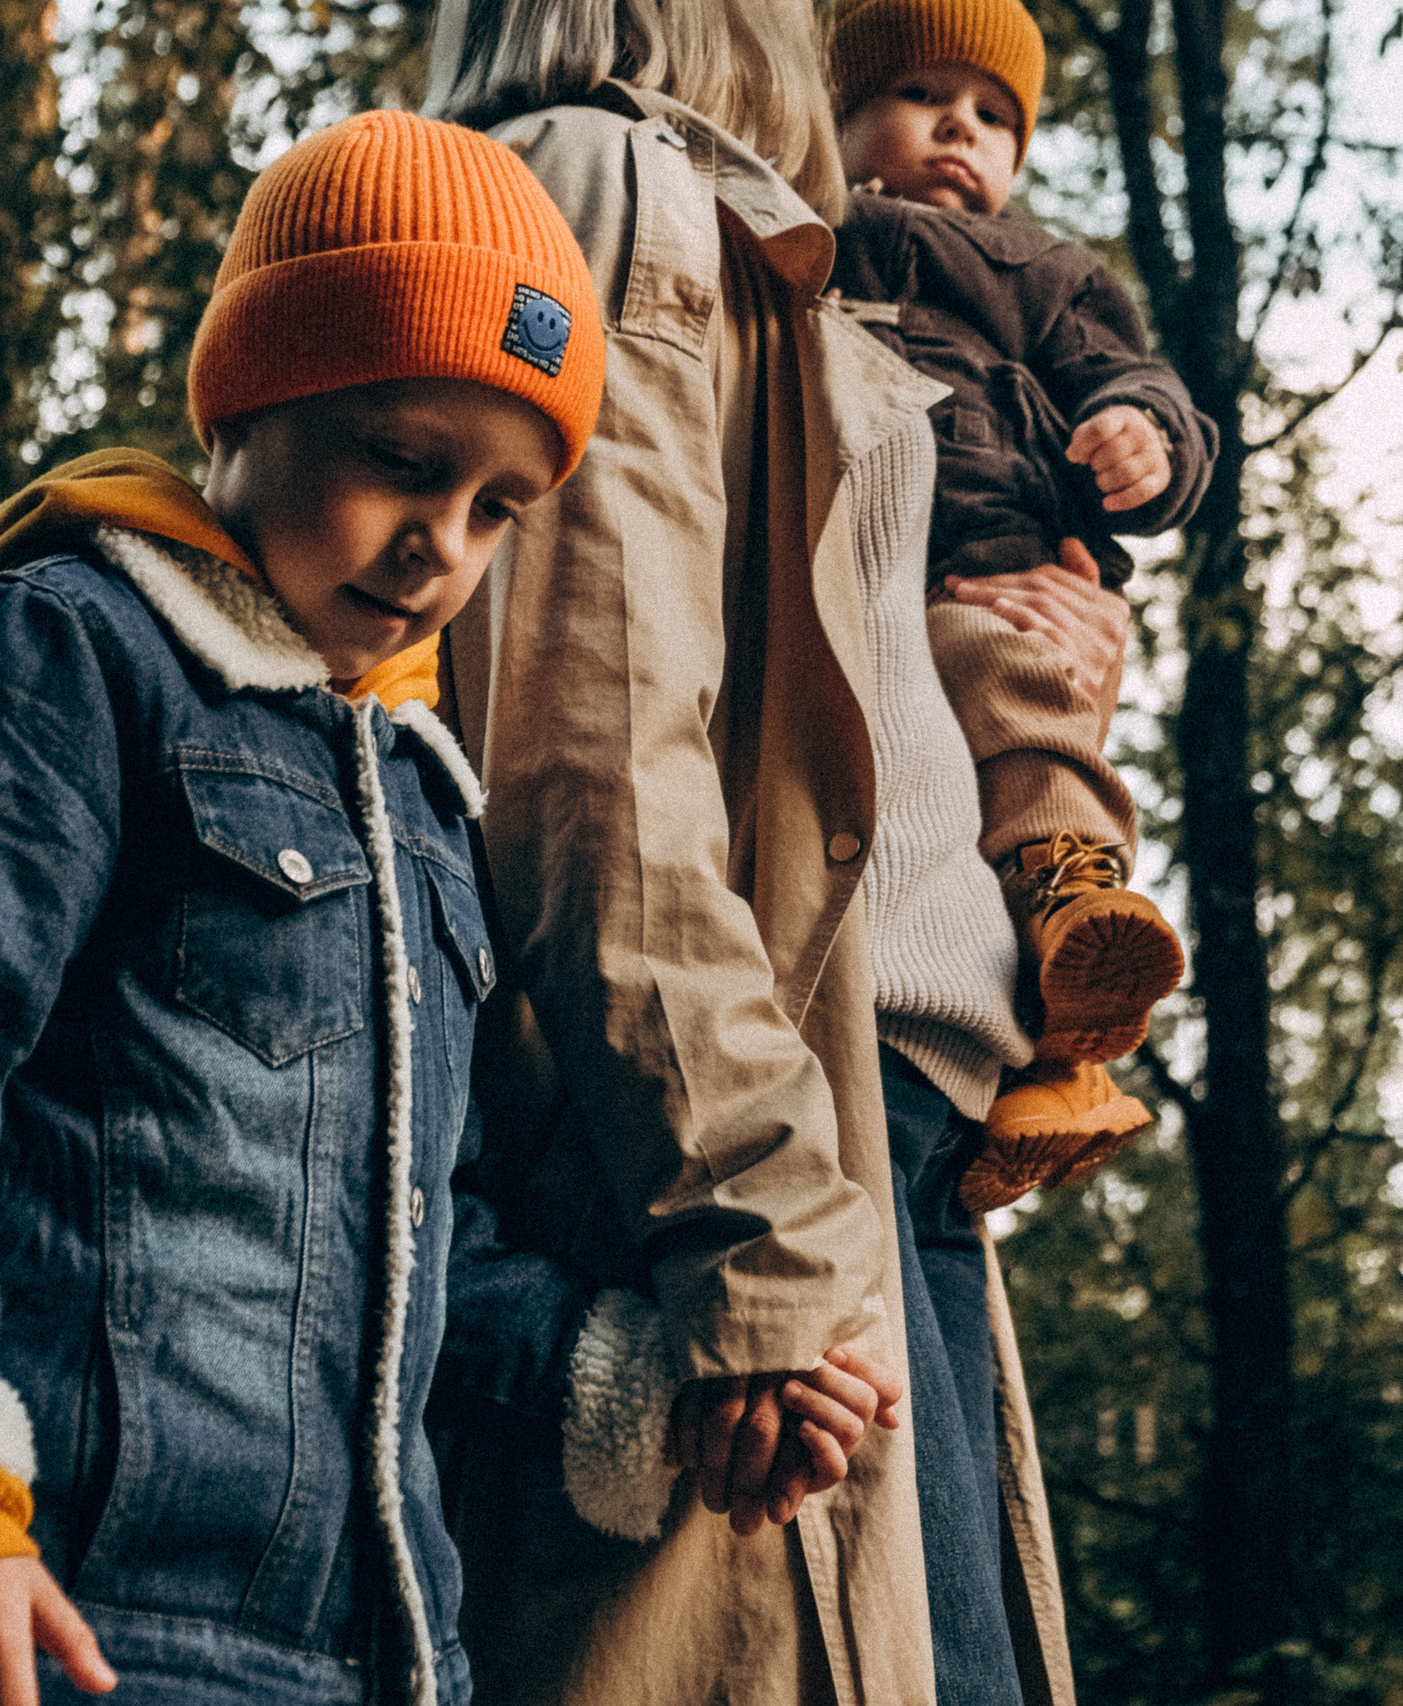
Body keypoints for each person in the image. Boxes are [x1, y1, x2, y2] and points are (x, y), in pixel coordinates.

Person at [0, 111, 618, 1706]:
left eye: (497, 506)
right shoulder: (61, 657)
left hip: (386, 1664)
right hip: (51, 1624)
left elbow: (417, 1240)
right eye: (405, 463)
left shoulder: (419, 795)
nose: (442, 548)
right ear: (252, 397)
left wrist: (629, 1375)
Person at [419, 1, 1127, 1700]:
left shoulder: (751, 236)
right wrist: (762, 1241)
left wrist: (1028, 650)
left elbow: (813, 716)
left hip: (893, 1152)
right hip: (783, 1155)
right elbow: (595, 768)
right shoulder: (615, 185)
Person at [821, 0, 1218, 1208]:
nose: (961, 127)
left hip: (1000, 574)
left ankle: (1072, 894)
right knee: (965, 778)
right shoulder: (807, 237)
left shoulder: (1040, 273)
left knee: (1010, 686)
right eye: (922, 96)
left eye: (994, 116)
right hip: (868, 580)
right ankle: (1056, 1073)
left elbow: (1141, 383)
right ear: (836, 115)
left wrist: (1141, 440)